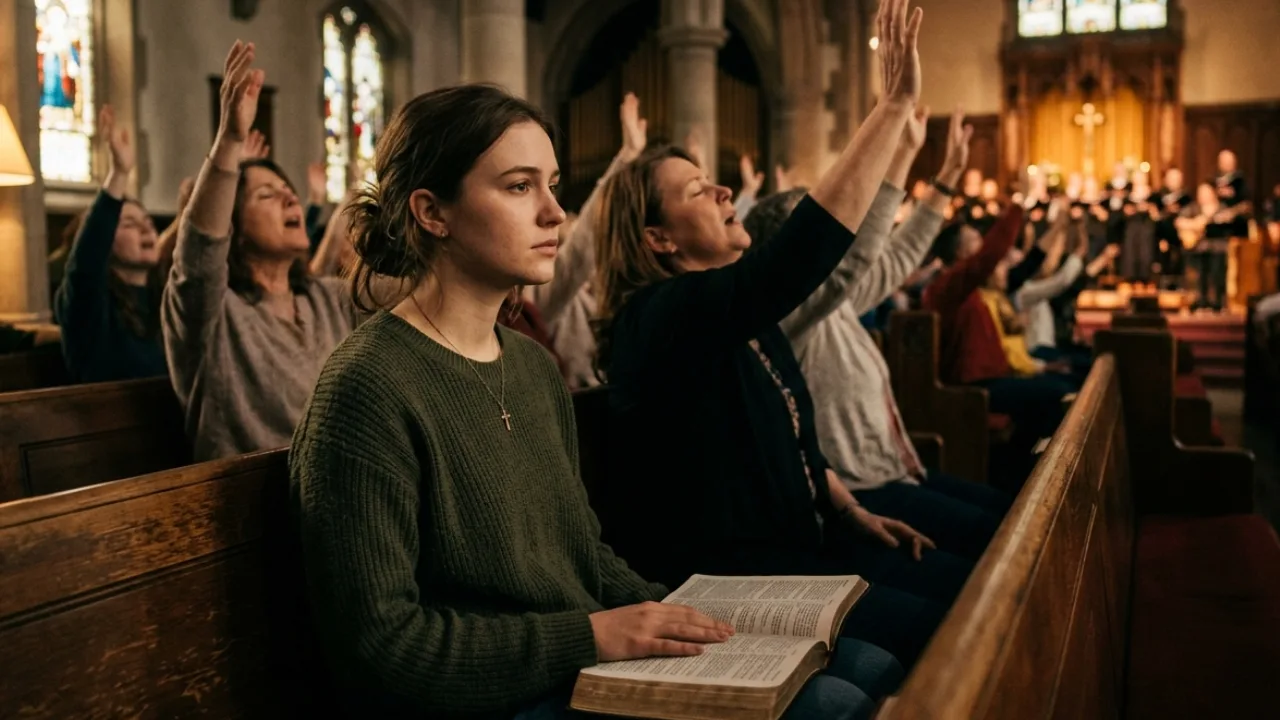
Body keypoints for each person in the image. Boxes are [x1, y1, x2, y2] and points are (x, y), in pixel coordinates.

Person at [289, 74, 898, 720]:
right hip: (496, 699)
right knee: (837, 707)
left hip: (575, 664)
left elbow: (582, 556)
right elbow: (382, 647)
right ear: (431, 212)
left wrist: (688, 617)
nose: (554, 212)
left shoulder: (528, 365)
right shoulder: (365, 388)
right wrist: (593, 635)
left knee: (864, 666)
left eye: (551, 185)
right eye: (519, 187)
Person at [593, 0, 959, 671]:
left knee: (963, 585)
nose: (727, 191)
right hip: (734, 585)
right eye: (701, 191)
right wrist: (890, 111)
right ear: (659, 238)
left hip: (807, 547)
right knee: (941, 632)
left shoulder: (740, 318)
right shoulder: (661, 317)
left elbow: (786, 427)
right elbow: (802, 257)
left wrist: (845, 507)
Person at [743, 104, 1011, 564]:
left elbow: (895, 256)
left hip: (893, 473)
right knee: (997, 543)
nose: (830, 236)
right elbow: (856, 260)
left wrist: (941, 175)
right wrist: (896, 147)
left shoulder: (836, 304)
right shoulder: (790, 313)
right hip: (859, 491)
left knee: (1009, 520)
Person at [162, 42, 360, 461]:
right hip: (250, 513)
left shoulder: (328, 298)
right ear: (233, 227)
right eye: (269, 195)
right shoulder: (212, 312)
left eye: (290, 193)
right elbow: (199, 253)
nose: (292, 201)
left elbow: (412, 295)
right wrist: (230, 140)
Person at [54, 105, 168, 383]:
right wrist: (119, 174)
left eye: (148, 221)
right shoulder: (89, 304)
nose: (146, 227)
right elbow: (86, 264)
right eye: (128, 224)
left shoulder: (164, 299)